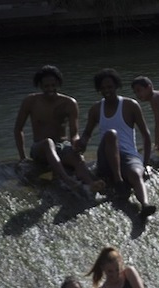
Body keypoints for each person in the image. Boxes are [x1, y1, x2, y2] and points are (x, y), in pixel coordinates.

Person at [76, 69, 156, 221]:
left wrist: (145, 163)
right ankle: (118, 181)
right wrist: (82, 142)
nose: (107, 91)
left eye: (110, 87)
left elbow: (146, 135)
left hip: (129, 155)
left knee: (135, 174)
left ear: (116, 86)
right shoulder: (96, 109)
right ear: (99, 90)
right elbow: (87, 133)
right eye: (103, 88)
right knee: (111, 134)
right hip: (106, 158)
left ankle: (145, 205)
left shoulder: (130, 105)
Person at [14, 65, 101, 194]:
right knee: (48, 142)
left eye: (53, 85)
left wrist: (77, 144)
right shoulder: (30, 101)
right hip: (40, 148)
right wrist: (22, 158)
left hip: (61, 146)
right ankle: (66, 179)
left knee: (77, 157)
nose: (50, 89)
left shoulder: (69, 103)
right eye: (46, 86)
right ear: (40, 86)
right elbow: (18, 129)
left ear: (58, 84)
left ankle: (91, 184)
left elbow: (74, 133)